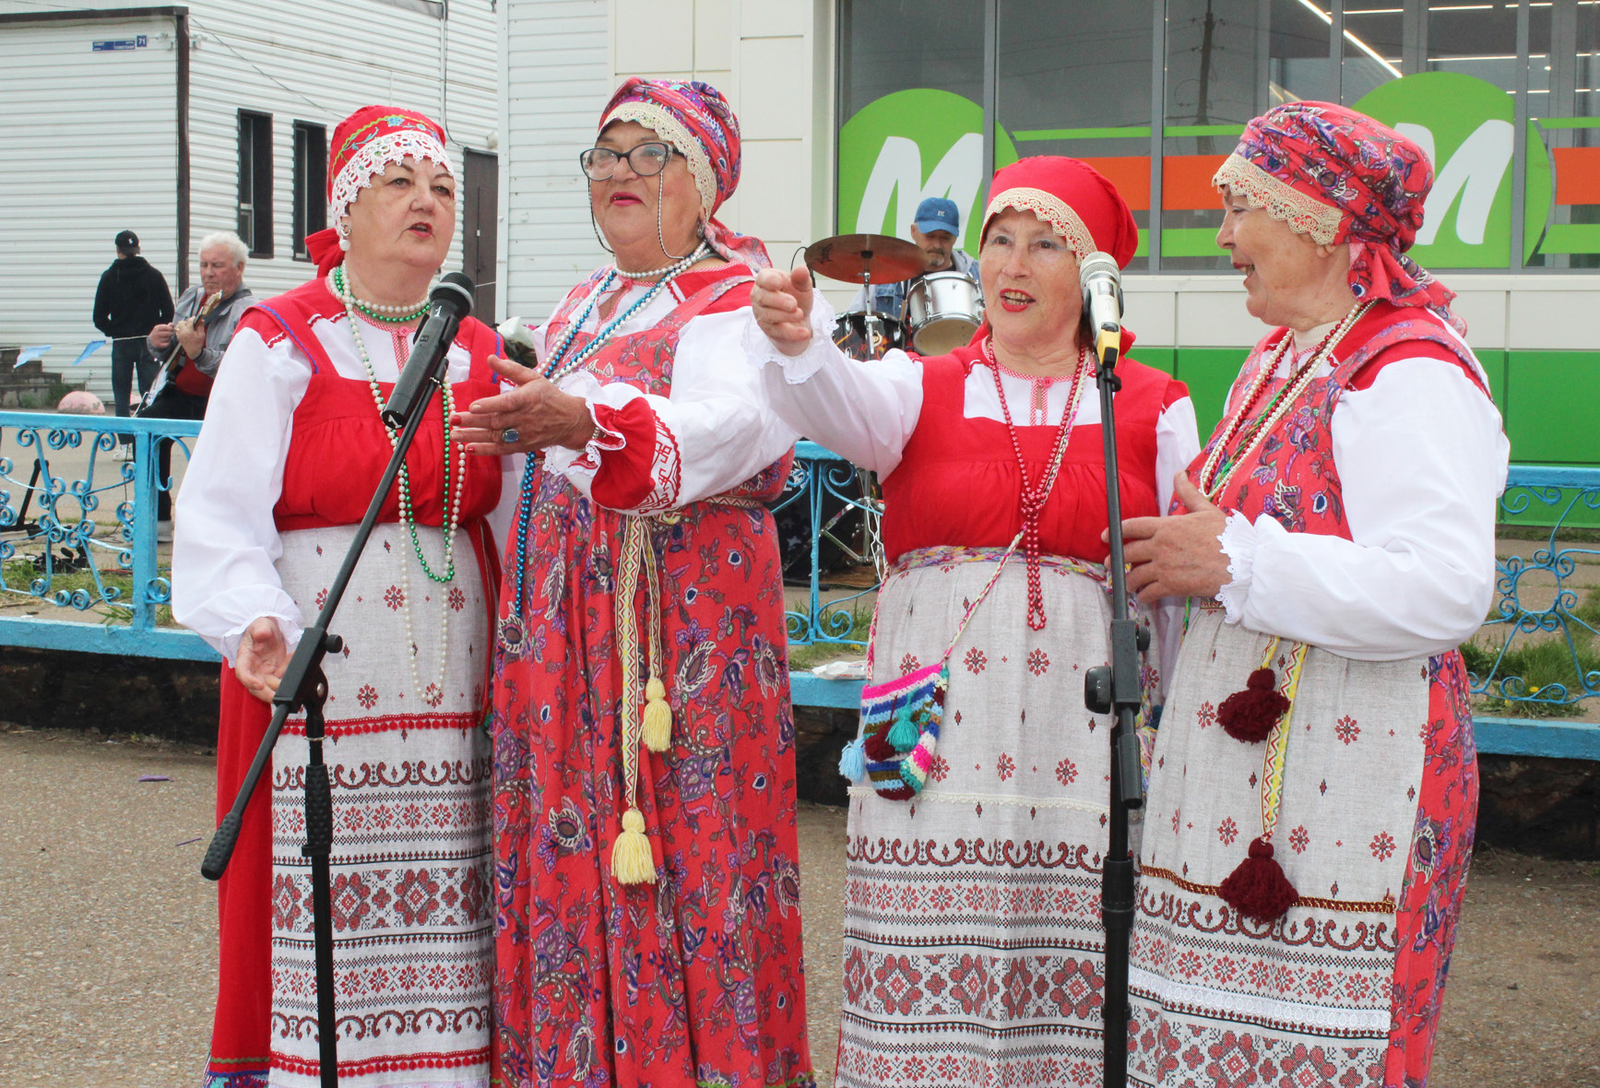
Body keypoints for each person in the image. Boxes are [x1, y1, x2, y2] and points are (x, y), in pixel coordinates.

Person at [749, 156, 1200, 1088]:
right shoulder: (920, 383)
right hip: (936, 719)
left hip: (1079, 736)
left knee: (1073, 965)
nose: (1013, 264)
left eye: (1046, 244)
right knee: (924, 971)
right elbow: (836, 401)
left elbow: (1176, 588)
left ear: (1095, 276)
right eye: (1000, 240)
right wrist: (801, 345)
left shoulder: (1150, 403)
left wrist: (1179, 735)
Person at [1118, 102, 1509, 1087]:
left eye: (1240, 206)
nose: (1221, 237)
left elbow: (1443, 585)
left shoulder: (1406, 370)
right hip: (1260, 784)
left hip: (1351, 786)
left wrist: (1237, 560)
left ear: (1321, 218)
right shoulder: (1288, 357)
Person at [449, 78, 814, 1088]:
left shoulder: (740, 300)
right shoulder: (580, 302)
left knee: (689, 843)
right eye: (604, 155)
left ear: (703, 184)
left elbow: (733, 429)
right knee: (573, 835)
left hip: (679, 627)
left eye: (647, 155)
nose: (618, 173)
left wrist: (588, 423)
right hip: (565, 626)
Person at [173, 105, 505, 1088]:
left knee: (456, 899)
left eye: (443, 188)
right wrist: (255, 623)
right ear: (349, 205)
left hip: (455, 685)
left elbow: (524, 515)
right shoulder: (280, 340)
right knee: (317, 900)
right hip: (319, 665)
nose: (427, 202)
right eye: (401, 183)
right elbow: (218, 511)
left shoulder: (481, 350)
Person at [144, 230, 255, 539]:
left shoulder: (247, 309)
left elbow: (239, 366)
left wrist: (200, 353)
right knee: (146, 433)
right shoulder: (192, 296)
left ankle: (220, 527)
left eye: (217, 266)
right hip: (181, 392)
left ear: (239, 268)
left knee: (222, 457)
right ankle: (157, 519)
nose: (209, 273)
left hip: (221, 399)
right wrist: (155, 342)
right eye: (204, 265)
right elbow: (168, 349)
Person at [92, 228, 173, 434]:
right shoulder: (154, 275)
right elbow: (169, 310)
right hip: (149, 342)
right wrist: (156, 330)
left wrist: (114, 331)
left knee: (121, 393)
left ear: (118, 250)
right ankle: (149, 435)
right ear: (138, 249)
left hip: (122, 342)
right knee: (149, 393)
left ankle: (125, 442)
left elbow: (99, 317)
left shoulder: (109, 277)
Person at [849, 194, 981, 319]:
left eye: (945, 238)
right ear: (913, 231)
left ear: (955, 238)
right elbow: (853, 323)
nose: (937, 244)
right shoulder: (886, 275)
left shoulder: (976, 275)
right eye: (930, 236)